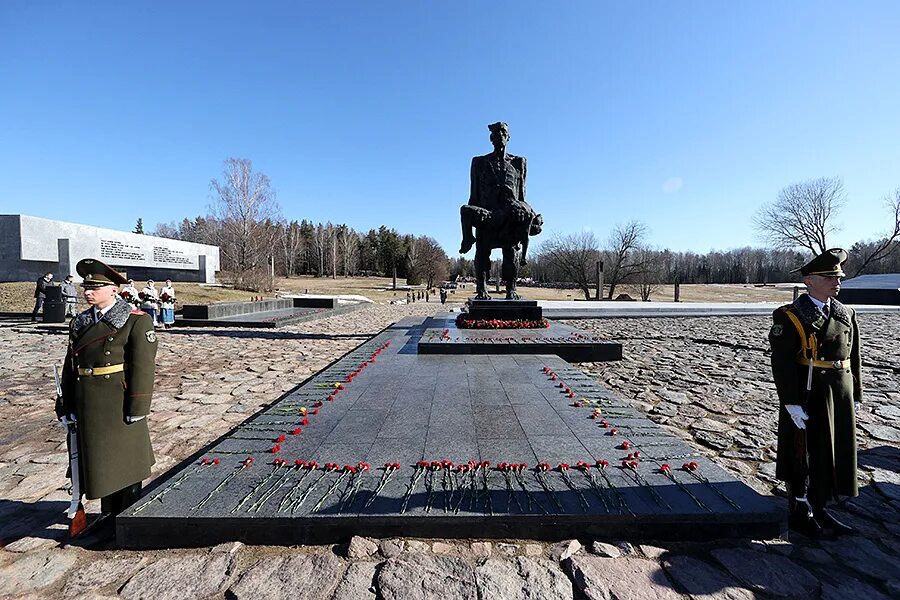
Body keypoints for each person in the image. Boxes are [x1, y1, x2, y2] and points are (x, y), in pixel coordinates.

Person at [56, 258, 158, 528]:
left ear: (113, 289)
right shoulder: (80, 322)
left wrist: (138, 407)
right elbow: (72, 365)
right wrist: (65, 403)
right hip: (87, 400)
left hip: (117, 400)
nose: (88, 292)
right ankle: (108, 513)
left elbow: (143, 366)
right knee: (99, 461)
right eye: (86, 287)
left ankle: (127, 515)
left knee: (124, 459)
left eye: (95, 287)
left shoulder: (135, 321)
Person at [769, 248, 860, 537]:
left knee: (833, 450)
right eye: (829, 277)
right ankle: (801, 508)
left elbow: (853, 356)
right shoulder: (791, 315)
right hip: (810, 393)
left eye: (838, 277)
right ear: (809, 280)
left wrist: (855, 393)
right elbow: (782, 362)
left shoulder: (846, 313)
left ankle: (820, 506)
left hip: (839, 393)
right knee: (804, 451)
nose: (836, 282)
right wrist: (791, 402)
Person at [459, 122, 542, 299]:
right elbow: (474, 195)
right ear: (491, 138)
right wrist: (472, 218)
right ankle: (481, 288)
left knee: (511, 251)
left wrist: (531, 215)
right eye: (496, 133)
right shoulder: (479, 162)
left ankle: (511, 289)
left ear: (508, 137)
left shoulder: (519, 162)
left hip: (509, 217)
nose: (499, 136)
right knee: (481, 249)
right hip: (487, 215)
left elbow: (521, 197)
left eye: (503, 132)